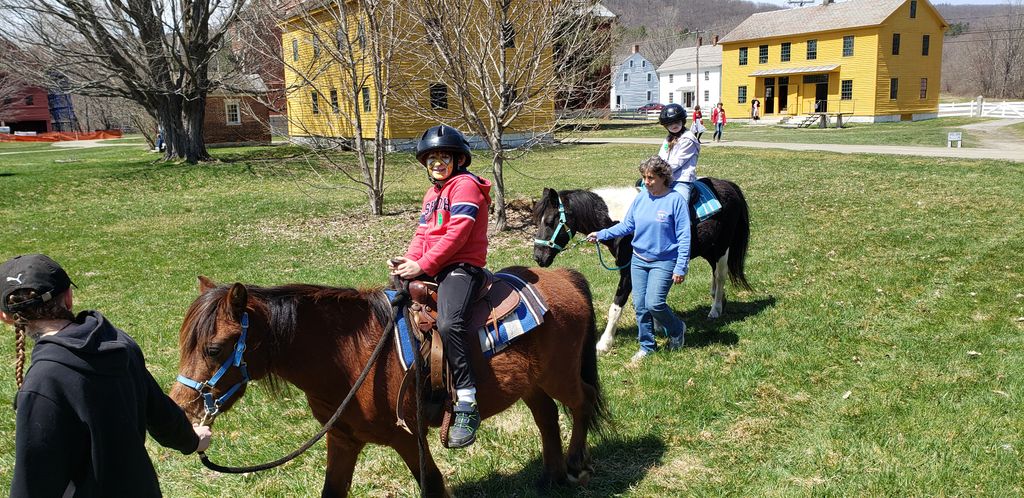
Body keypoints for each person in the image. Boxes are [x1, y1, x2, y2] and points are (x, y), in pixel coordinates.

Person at [1, 254, 212, 497]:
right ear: (68, 298)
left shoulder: (42, 382)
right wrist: (192, 440)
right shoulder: (119, 344)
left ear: (5, 317)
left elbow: (34, 479)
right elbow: (161, 414)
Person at [388, 124, 492, 449]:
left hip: (462, 267)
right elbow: (423, 236)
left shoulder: (466, 186)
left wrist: (423, 265)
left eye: (443, 156)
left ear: (459, 160)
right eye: (430, 158)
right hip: (433, 264)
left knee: (449, 323)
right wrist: (408, 262)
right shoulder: (432, 194)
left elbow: (457, 234)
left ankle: (466, 400)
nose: (436, 163)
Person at [587, 157, 690, 363]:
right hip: (639, 260)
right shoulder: (642, 198)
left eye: (651, 178)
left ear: (663, 177)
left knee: (655, 304)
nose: (646, 182)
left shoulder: (675, 200)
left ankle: (677, 329)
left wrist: (681, 266)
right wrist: (601, 234)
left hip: (664, 261)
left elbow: (684, 236)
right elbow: (627, 225)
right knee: (640, 306)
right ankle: (647, 346)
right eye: (644, 177)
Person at [656, 103, 700, 205]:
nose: (674, 125)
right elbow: (661, 156)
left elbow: (677, 162)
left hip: (682, 180)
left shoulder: (688, 139)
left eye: (676, 122)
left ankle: (683, 221)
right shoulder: (668, 139)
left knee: (680, 203)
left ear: (683, 121)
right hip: (665, 177)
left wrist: (658, 172)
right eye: (670, 124)